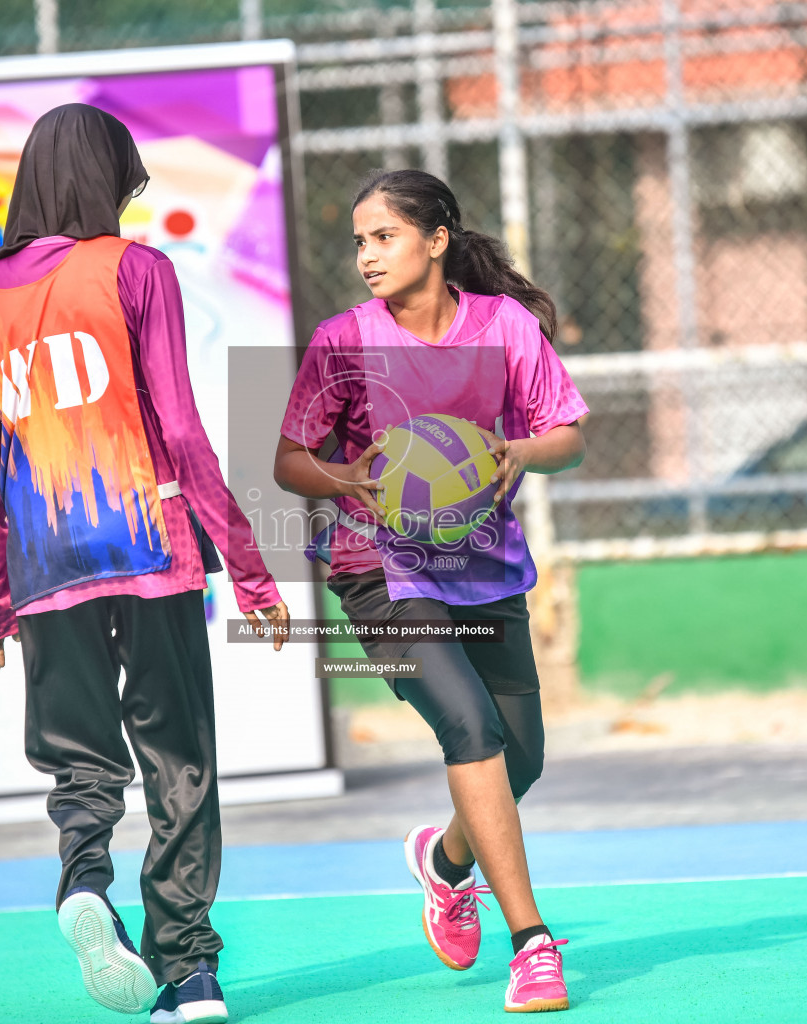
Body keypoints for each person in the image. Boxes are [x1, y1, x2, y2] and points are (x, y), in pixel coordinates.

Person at [0, 103, 289, 1024]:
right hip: (150, 544)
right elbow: (178, 427)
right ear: (108, 178)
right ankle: (188, 972)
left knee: (81, 760)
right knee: (177, 756)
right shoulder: (137, 270)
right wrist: (252, 568)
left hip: (44, 563)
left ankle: (88, 886)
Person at [274, 169, 588, 1013]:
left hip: (481, 564)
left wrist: (522, 451)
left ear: (437, 240)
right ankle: (532, 945)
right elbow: (287, 459)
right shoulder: (345, 341)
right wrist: (346, 477)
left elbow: (569, 435)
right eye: (359, 242)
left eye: (385, 237)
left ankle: (446, 864)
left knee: (521, 758)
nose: (366, 256)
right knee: (471, 726)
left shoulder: (505, 328)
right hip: (379, 568)